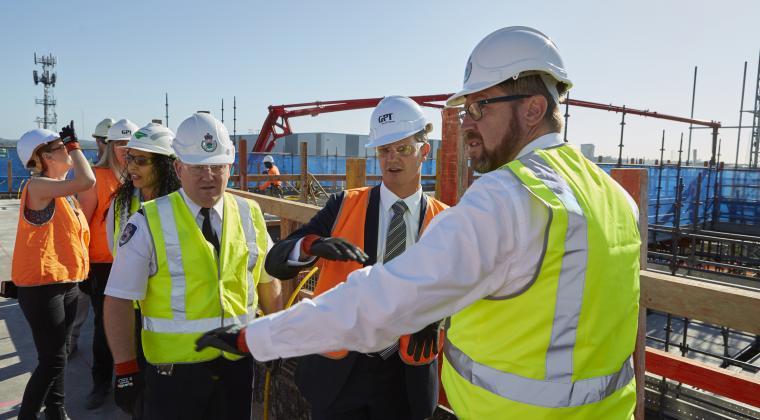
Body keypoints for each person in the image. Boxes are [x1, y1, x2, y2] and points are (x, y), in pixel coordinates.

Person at [197, 26, 642, 419]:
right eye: (466, 110)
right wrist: (311, 246)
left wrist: (257, 337)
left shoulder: (504, 200)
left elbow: (380, 299)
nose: (468, 124)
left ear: (531, 109)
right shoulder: (616, 199)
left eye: (480, 107)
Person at [263, 96, 448, 420]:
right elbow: (275, 262)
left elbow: (466, 285)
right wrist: (310, 247)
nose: (392, 159)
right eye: (384, 149)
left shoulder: (446, 221)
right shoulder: (343, 205)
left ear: (424, 150)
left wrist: (437, 316)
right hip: (340, 374)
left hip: (407, 378)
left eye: (402, 149)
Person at [103, 112, 283, 420]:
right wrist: (125, 368)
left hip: (237, 365)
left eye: (217, 167)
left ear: (230, 167)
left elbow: (267, 280)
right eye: (198, 167)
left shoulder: (249, 214)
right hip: (174, 376)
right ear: (178, 168)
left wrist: (277, 337)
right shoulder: (148, 221)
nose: (208, 176)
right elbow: (118, 299)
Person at [11, 123, 96, 420]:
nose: (70, 151)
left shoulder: (63, 194)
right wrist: (75, 145)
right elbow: (88, 179)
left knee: (58, 355)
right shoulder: (38, 187)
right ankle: (29, 415)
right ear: (45, 157)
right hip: (42, 288)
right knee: (53, 359)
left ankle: (57, 410)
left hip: (66, 284)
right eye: (62, 148)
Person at [105, 122, 181, 372]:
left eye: (142, 160)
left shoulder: (182, 208)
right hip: (130, 308)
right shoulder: (120, 204)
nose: (132, 167)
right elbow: (113, 247)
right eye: (130, 158)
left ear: (165, 164)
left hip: (169, 315)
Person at [77, 118, 136, 409]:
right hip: (104, 264)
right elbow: (81, 226)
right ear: (110, 146)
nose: (126, 150)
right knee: (104, 326)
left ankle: (129, 380)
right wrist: (83, 269)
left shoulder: (138, 177)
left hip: (137, 264)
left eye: (130, 144)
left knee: (135, 325)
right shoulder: (96, 178)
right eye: (121, 144)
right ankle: (100, 382)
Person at [70, 117, 114, 358]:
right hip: (95, 259)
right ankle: (71, 342)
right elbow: (82, 223)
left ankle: (71, 342)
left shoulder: (124, 175)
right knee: (86, 307)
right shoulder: (91, 175)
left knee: (96, 314)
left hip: (108, 259)